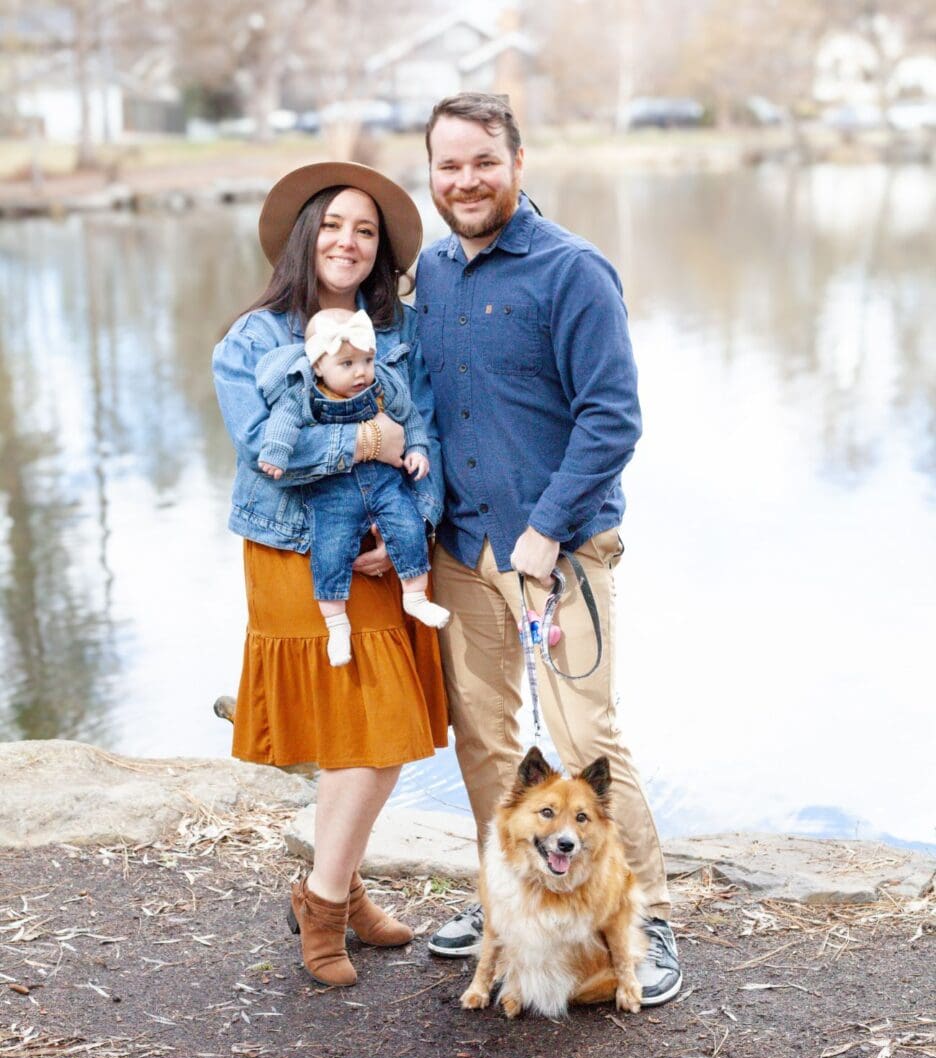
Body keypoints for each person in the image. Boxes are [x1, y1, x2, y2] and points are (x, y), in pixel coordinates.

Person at [416, 93, 683, 1006]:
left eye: (482, 161)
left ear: (517, 163)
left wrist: (547, 527)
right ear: (433, 175)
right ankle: (507, 906)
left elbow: (613, 417)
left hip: (559, 552)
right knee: (489, 744)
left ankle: (640, 916)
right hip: (460, 550)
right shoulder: (434, 273)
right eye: (449, 165)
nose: (466, 180)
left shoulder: (573, 272)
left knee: (583, 739)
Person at [212, 161, 448, 987]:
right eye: (336, 225)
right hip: (291, 553)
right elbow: (269, 456)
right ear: (307, 237)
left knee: (378, 730)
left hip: (382, 551)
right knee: (367, 730)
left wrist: (411, 521)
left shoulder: (402, 335)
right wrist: (364, 444)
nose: (349, 241)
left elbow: (429, 440)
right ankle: (327, 902)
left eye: (367, 229)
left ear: (379, 250)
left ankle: (332, 892)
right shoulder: (253, 341)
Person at [255, 306, 450, 666]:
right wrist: (277, 452)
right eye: (347, 364)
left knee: (409, 528)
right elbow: (282, 422)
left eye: (367, 360)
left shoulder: (383, 385)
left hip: (385, 483)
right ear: (318, 367)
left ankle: (415, 597)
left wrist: (418, 449)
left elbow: (411, 418)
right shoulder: (304, 391)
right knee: (330, 550)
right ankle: (336, 623)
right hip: (333, 492)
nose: (361, 372)